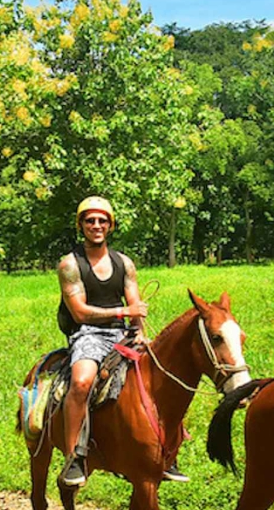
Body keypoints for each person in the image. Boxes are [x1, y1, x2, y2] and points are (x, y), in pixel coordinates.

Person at [55, 196, 185, 488]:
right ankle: (74, 455)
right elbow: (79, 312)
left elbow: (134, 303)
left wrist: (138, 330)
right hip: (87, 333)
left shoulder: (124, 263)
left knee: (164, 374)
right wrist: (122, 312)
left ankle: (169, 451)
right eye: (90, 220)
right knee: (82, 382)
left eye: (102, 220)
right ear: (81, 225)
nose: (96, 225)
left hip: (121, 332)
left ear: (110, 225)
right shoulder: (70, 265)